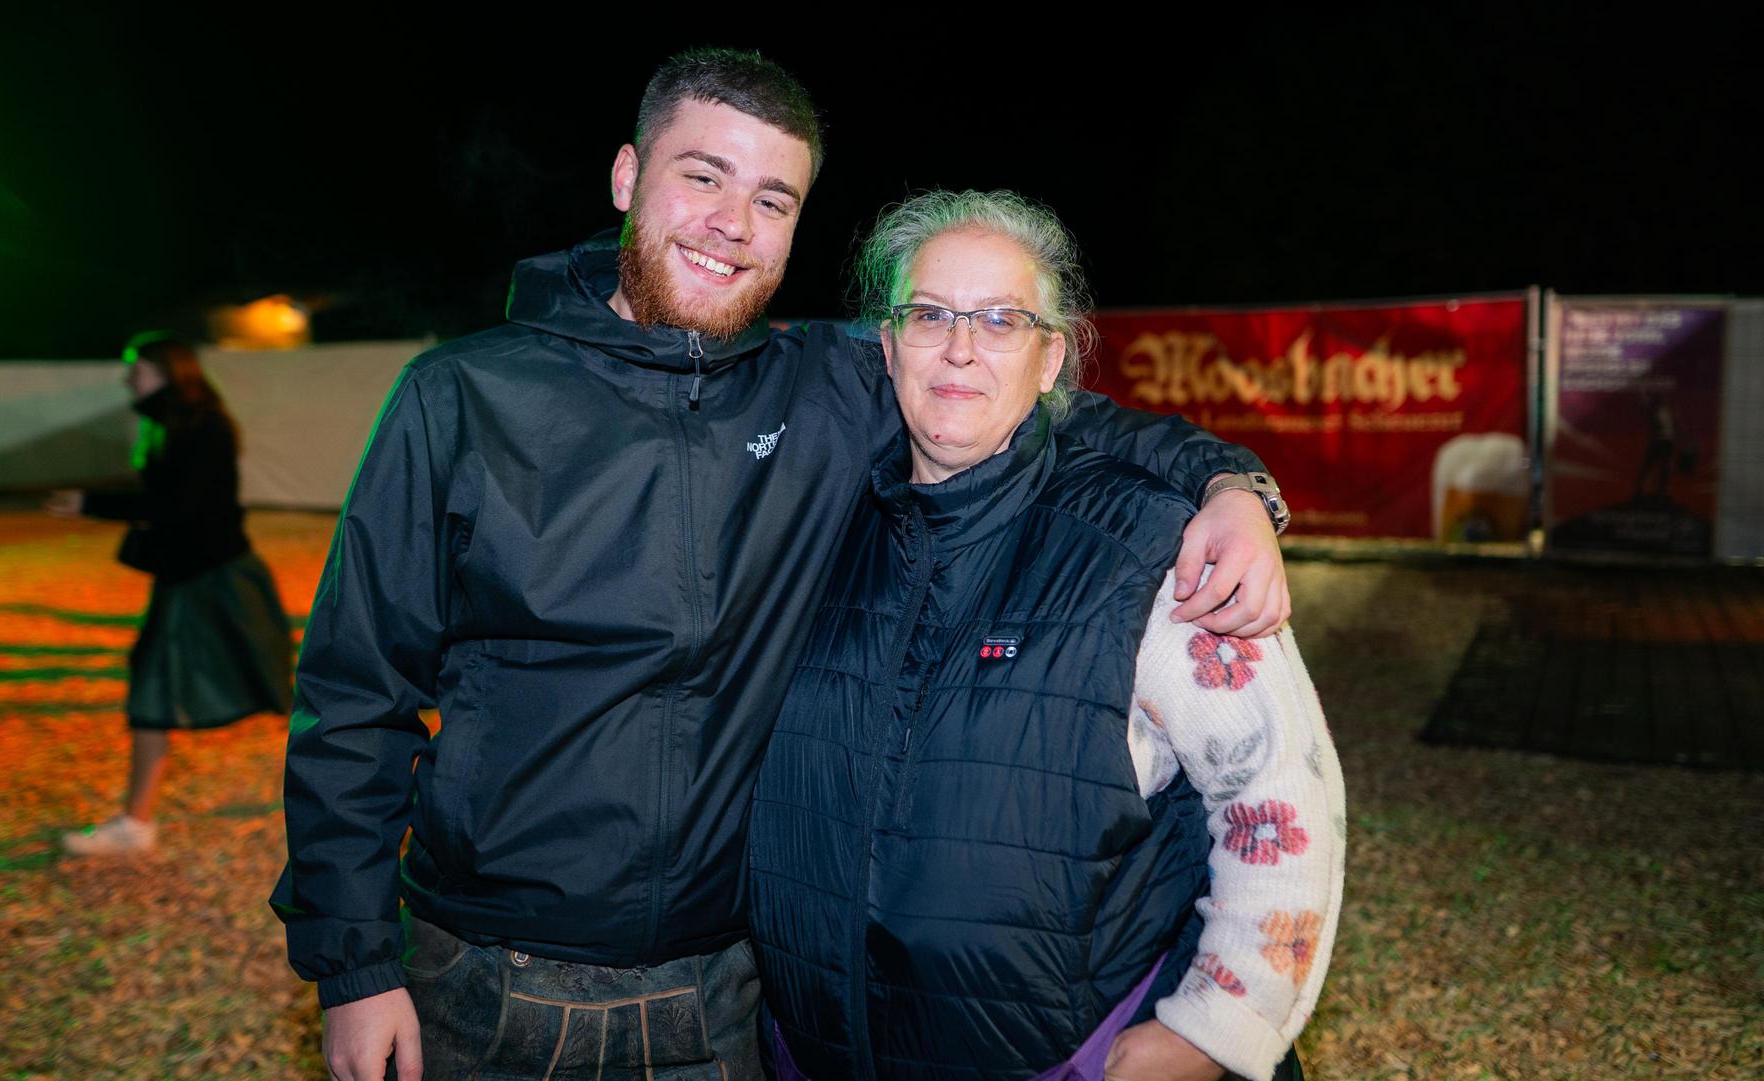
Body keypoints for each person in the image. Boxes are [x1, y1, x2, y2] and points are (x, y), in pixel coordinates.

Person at [273, 49, 1294, 1081]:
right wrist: (353, 965)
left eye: (772, 199)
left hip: (720, 997)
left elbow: (1023, 399)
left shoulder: (823, 389)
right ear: (628, 178)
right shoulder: (460, 399)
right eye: (702, 176)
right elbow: (356, 695)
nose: (733, 223)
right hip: (482, 984)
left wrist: (1230, 486)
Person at [747, 191, 1343, 1081]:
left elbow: (1280, 791)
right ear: (887, 344)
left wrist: (1217, 1028)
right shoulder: (820, 532)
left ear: (1050, 357)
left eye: (1000, 319)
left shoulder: (1148, 545)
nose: (960, 348)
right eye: (928, 315)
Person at [48, 333, 293, 856]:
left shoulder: (200, 428)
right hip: (196, 578)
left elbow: (179, 506)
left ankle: (136, 825)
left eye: (136, 370)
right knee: (171, 690)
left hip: (211, 581)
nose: (128, 379)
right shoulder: (176, 424)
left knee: (195, 689)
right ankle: (136, 821)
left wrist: (93, 504)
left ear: (167, 372)